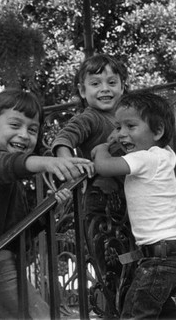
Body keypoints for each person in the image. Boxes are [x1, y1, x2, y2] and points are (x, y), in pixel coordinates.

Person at [0, 88, 94, 320]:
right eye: (15, 125)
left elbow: (20, 233)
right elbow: (4, 165)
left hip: (3, 266)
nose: (24, 135)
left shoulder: (10, 182)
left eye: (32, 129)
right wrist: (47, 162)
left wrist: (50, 210)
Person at [92, 91, 176, 319]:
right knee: (164, 311)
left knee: (136, 313)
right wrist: (120, 138)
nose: (122, 134)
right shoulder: (164, 154)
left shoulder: (145, 158)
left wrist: (102, 149)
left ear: (158, 132)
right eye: (118, 128)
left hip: (159, 259)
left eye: (131, 126)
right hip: (175, 255)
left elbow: (105, 167)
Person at [51, 53, 132, 315]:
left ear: (123, 86)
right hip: (102, 205)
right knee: (112, 268)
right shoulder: (90, 117)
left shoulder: (125, 121)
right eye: (96, 83)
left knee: (131, 263)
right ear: (82, 91)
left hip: (125, 203)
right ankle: (112, 310)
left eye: (112, 82)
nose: (105, 89)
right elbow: (65, 137)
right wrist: (68, 162)